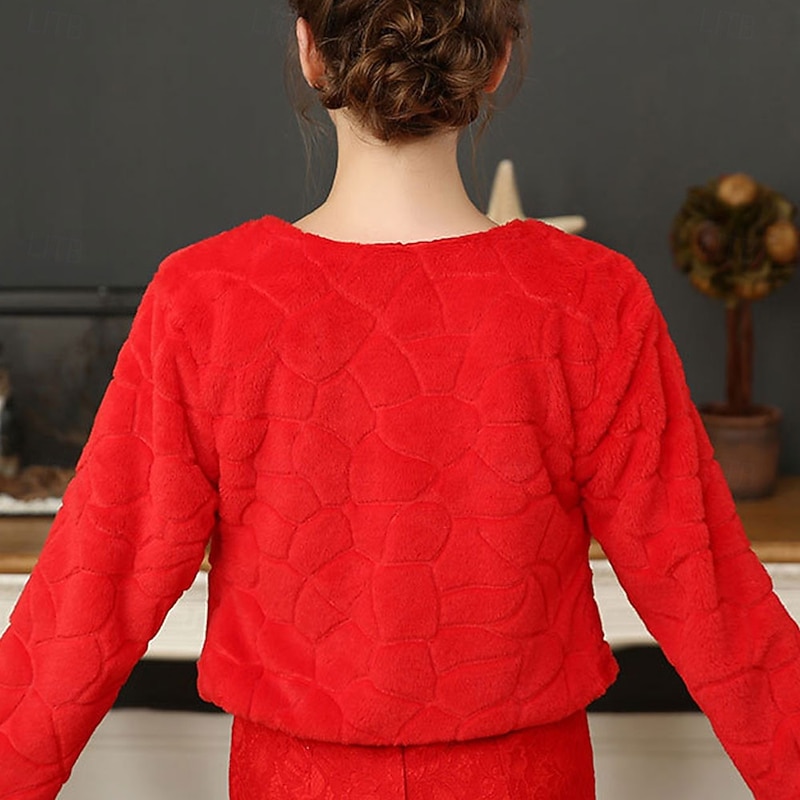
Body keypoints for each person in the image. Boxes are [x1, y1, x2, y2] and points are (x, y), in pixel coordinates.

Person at [1, 1, 799, 798]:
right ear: (496, 61)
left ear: (309, 51)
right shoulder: (590, 299)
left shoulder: (205, 300)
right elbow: (710, 595)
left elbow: (92, 592)